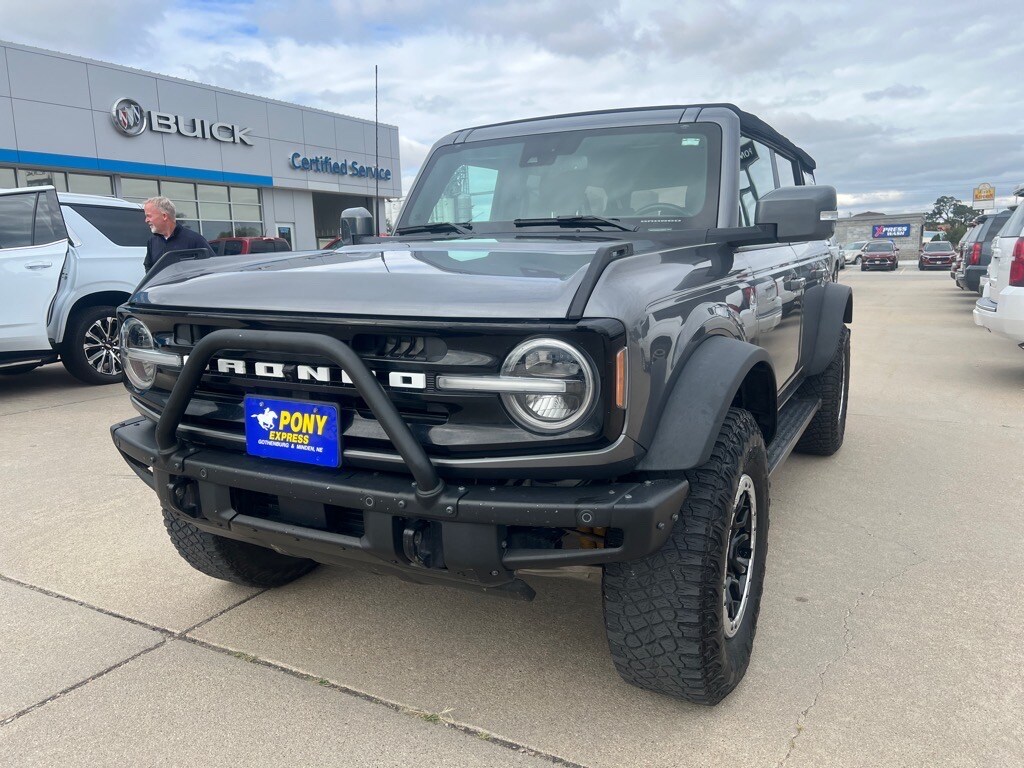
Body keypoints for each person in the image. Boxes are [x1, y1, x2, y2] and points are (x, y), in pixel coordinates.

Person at [143, 196, 212, 272]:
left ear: (164, 216)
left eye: (148, 216)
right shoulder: (152, 242)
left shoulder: (195, 240)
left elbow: (212, 266)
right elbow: (148, 267)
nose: (146, 220)